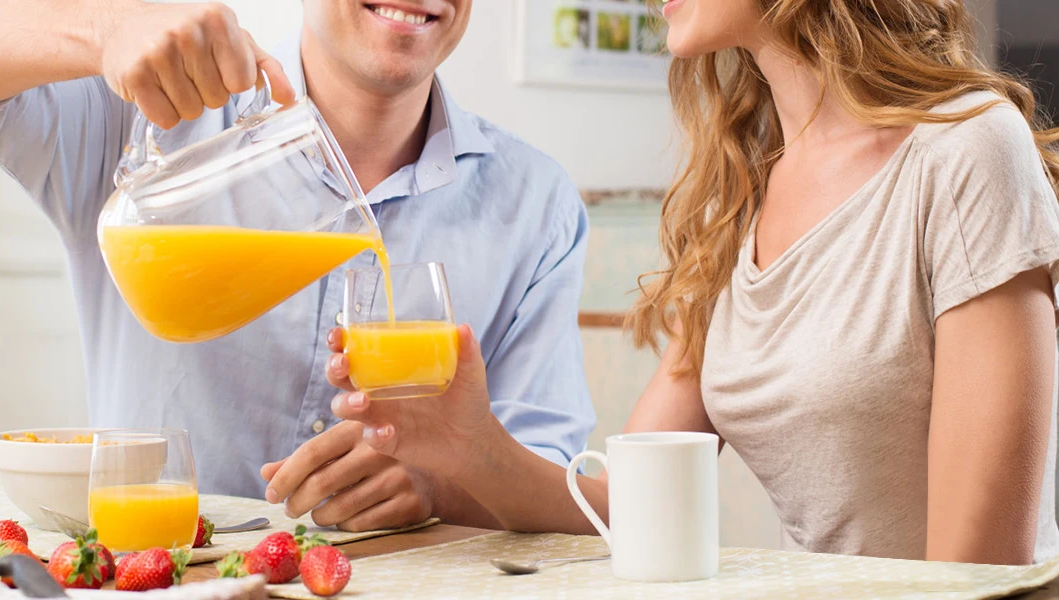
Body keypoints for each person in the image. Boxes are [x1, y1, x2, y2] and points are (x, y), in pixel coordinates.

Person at [328, 0, 1059, 564]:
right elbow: (630, 506)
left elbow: (976, 577)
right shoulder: (741, 198)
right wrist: (469, 445)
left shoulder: (966, 152)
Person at [0, 0, 597, 531]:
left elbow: (558, 483)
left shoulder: (534, 202)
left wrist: (443, 487)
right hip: (162, 572)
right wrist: (107, 28)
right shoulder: (151, 108)